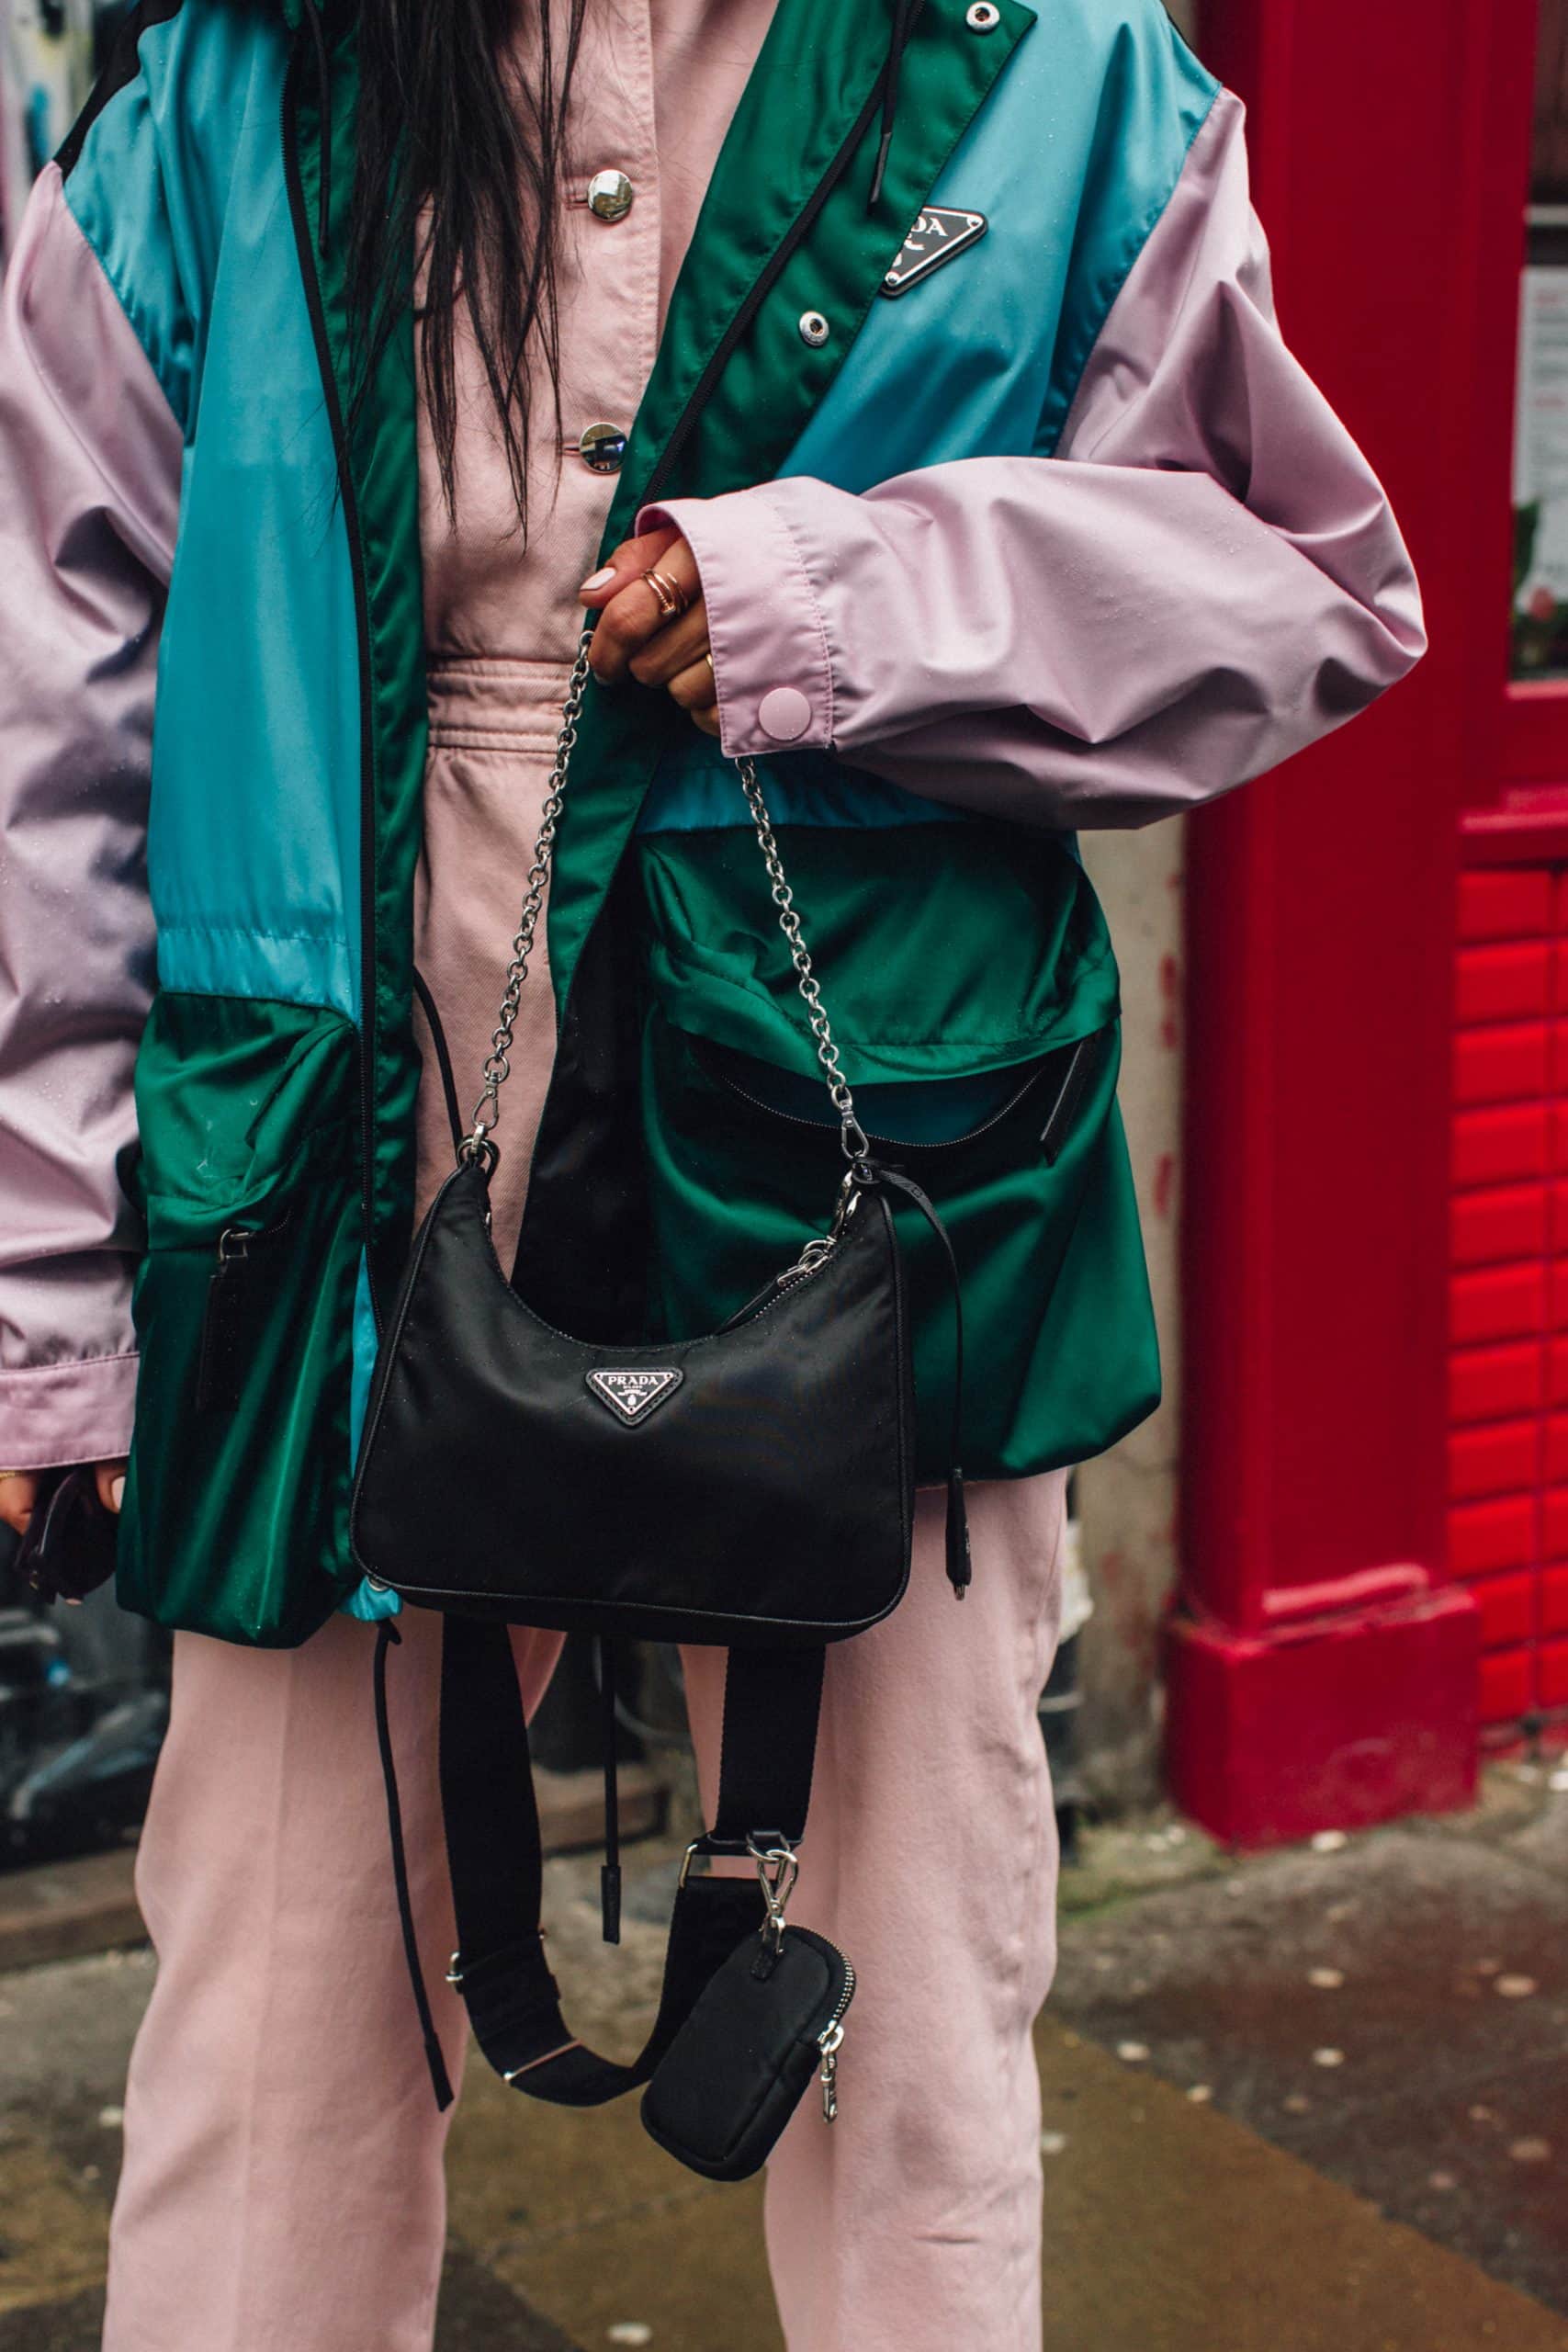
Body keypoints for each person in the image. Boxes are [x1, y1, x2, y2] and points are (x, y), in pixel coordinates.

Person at [0, 1, 1424, 2346]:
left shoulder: (1047, 65)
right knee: (274, 2024)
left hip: (877, 1142)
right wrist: (50, 1292)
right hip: (327, 1158)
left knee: (908, 2029)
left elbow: (1297, 575)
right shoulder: (242, 84)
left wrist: (848, 592)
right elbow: (52, 701)